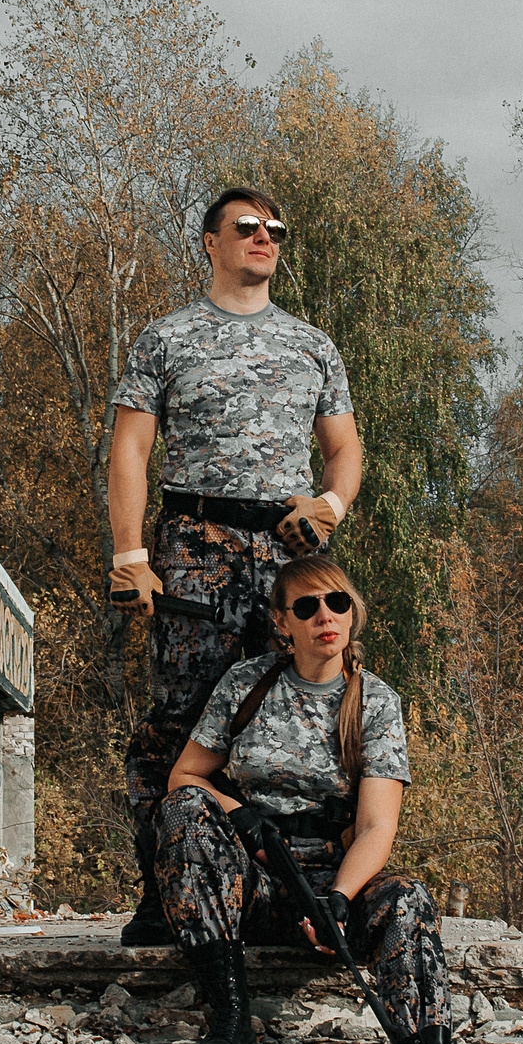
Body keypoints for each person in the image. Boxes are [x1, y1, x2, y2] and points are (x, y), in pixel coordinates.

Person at [151, 555, 497, 1044]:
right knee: (181, 811)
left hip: (335, 877)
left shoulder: (375, 703)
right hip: (253, 877)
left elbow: (375, 826)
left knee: (410, 900)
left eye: (336, 602)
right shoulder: (245, 684)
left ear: (353, 610)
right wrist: (236, 812)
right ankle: (230, 1019)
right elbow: (186, 776)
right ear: (283, 622)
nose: (325, 617)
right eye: (306, 607)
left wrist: (338, 900)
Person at [107, 186, 363, 947]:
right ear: (211, 242)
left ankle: (291, 891)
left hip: (289, 553)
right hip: (196, 547)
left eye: (276, 230)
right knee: (182, 720)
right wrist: (130, 555)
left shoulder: (313, 344)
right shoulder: (166, 338)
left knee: (300, 717)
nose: (264, 239)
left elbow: (344, 448)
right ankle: (168, 891)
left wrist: (331, 507)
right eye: (247, 227)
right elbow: (130, 447)